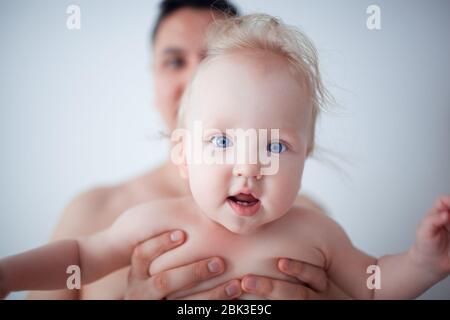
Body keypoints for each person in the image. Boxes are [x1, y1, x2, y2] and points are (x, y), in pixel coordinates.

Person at [2, 13, 449, 300]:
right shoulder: (151, 221)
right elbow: (80, 255)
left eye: (275, 146)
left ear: (305, 155)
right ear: (184, 152)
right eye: (221, 141)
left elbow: (375, 286)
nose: (249, 166)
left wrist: (423, 263)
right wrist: (8, 275)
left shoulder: (318, 231)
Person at [27, 0, 336, 300]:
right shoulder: (93, 213)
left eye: (210, 59)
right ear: (153, 77)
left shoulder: (309, 223)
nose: (192, 79)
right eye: (175, 61)